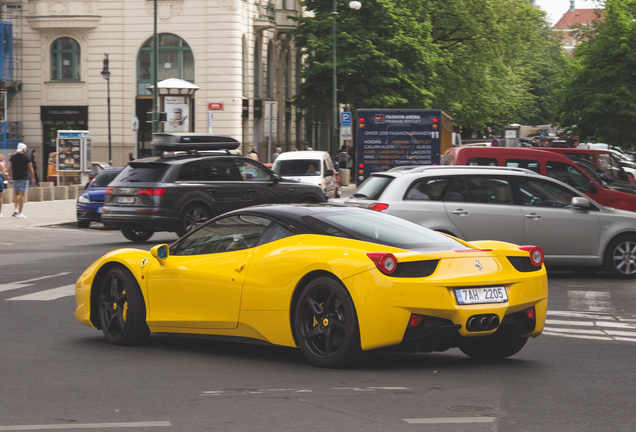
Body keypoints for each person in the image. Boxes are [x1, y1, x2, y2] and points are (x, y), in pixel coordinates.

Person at [8, 143, 35, 218]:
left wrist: (10, 177)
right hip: (24, 177)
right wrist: (33, 177)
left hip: (15, 178)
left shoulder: (13, 158)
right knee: (22, 195)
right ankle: (20, 213)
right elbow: (31, 169)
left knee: (16, 194)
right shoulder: (26, 158)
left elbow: (9, 169)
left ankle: (15, 209)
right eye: (25, 148)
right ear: (23, 149)